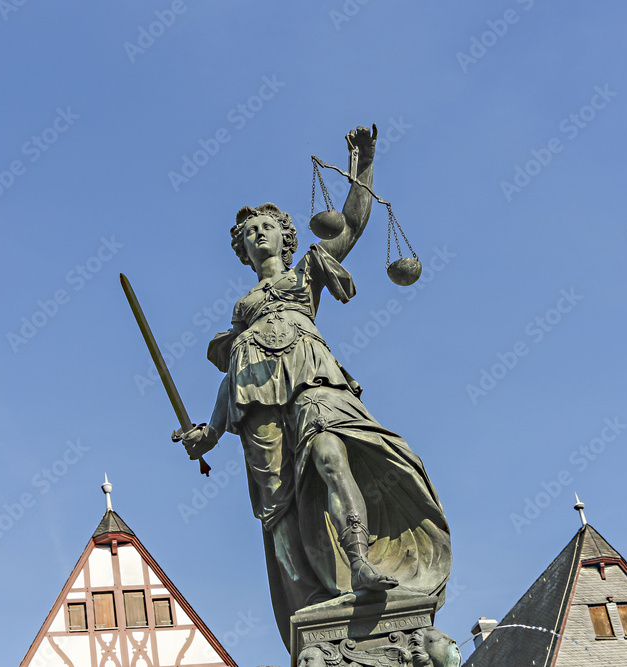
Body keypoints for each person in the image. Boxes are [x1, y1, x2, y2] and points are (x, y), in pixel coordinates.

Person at [180, 126, 451, 644]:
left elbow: (351, 221)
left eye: (266, 227)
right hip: (256, 404)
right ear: (241, 250)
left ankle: (360, 560)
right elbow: (236, 376)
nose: (258, 234)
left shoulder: (306, 272)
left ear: (286, 235)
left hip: (313, 381)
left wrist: (363, 163)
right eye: (248, 232)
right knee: (277, 510)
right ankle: (314, 608)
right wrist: (209, 435)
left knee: (331, 454)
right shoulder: (240, 323)